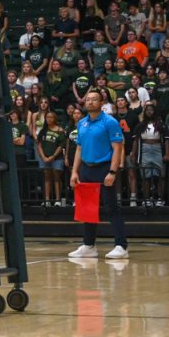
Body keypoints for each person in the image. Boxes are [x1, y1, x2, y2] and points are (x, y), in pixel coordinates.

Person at [68, 90, 127, 259]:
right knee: (87, 208)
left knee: (111, 207)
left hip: (104, 167)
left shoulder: (110, 122)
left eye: (95, 100)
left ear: (102, 103)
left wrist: (112, 172)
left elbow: (118, 148)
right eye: (88, 99)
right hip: (86, 168)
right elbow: (79, 148)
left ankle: (121, 246)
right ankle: (89, 245)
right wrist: (74, 172)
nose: (90, 102)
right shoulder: (82, 123)